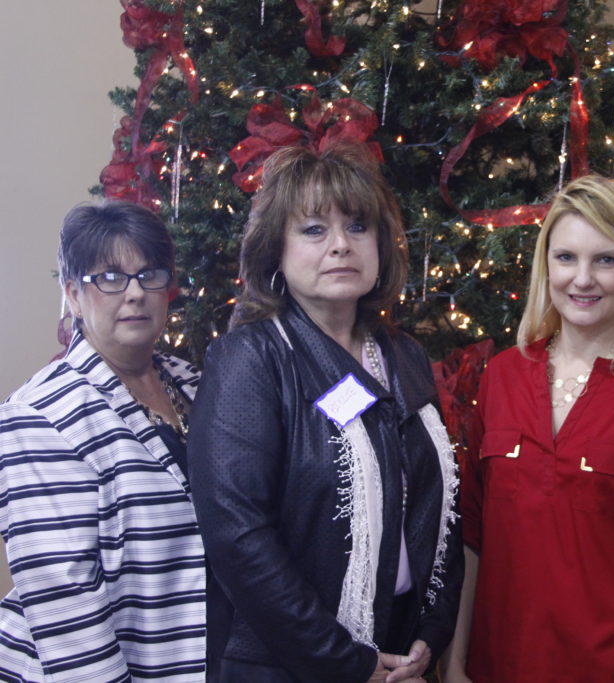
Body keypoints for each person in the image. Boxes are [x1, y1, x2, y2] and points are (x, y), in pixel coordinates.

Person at [188, 143, 462, 682]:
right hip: (287, 665)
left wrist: (432, 633)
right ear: (276, 252)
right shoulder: (251, 359)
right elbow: (238, 537)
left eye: (358, 227)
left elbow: (441, 504)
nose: (340, 245)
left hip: (399, 655)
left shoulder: (402, 354)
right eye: (314, 230)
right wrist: (345, 662)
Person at [442, 175, 614, 683]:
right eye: (566, 257)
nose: (582, 279)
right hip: (495, 668)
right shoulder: (502, 375)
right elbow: (471, 537)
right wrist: (454, 665)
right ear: (546, 266)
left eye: (605, 260)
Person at [0, 201, 206, 680]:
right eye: (109, 278)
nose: (134, 293)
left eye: (149, 275)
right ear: (73, 295)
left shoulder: (194, 383)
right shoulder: (38, 415)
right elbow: (66, 603)